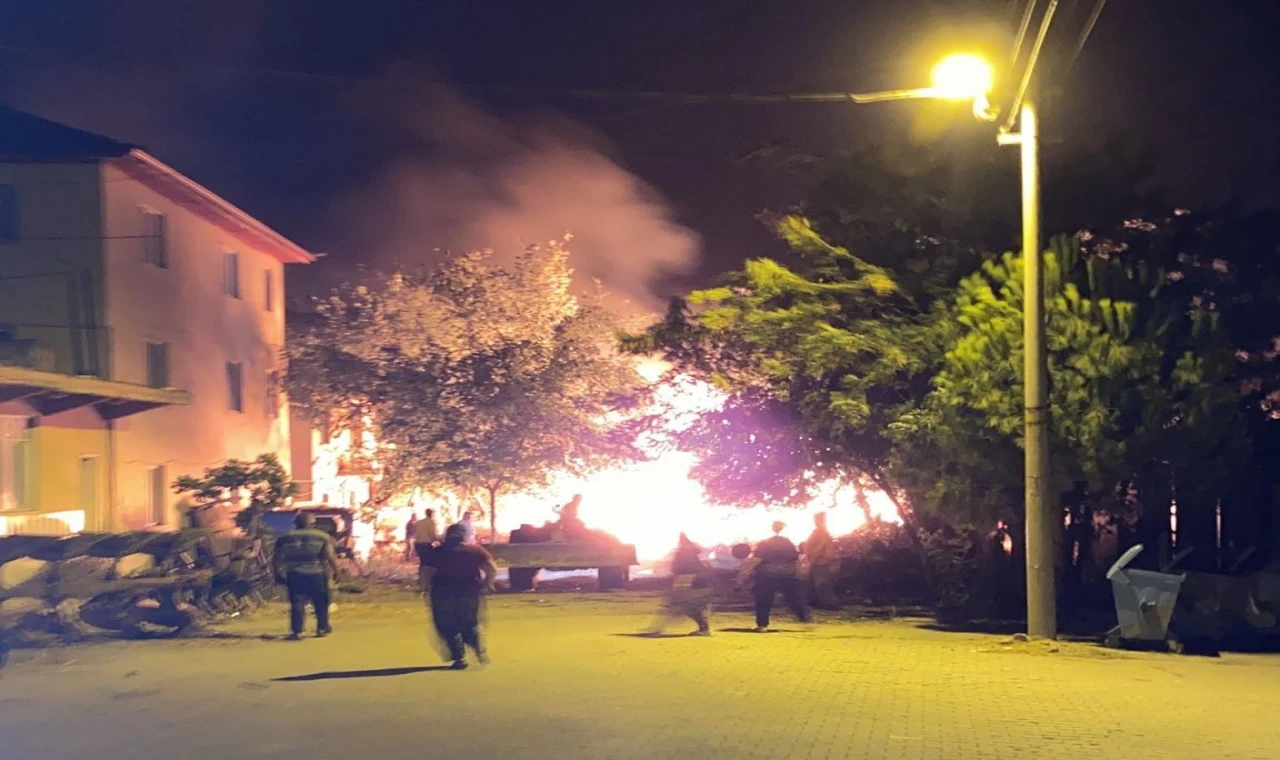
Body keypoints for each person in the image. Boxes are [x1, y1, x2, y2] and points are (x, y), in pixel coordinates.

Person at [423, 523, 498, 670]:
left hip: (443, 592)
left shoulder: (438, 551)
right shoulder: (476, 550)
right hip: (469, 591)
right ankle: (478, 649)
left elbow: (427, 571)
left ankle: (459, 658)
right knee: (469, 622)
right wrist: (488, 584)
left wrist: (424, 587)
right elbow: (492, 568)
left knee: (447, 624)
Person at [273, 512, 340, 640]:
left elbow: (277, 558)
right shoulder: (322, 536)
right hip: (316, 573)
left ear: (296, 523)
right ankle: (322, 628)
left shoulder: (284, 537)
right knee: (320, 602)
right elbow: (330, 556)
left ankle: (297, 631)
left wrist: (277, 573)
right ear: (312, 523)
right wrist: (337, 572)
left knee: (297, 602)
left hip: (294, 574)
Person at [740, 521, 810, 632]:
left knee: (763, 598)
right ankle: (803, 616)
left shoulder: (764, 543)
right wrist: (799, 572)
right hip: (788, 573)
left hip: (766, 574)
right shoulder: (788, 542)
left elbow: (757, 559)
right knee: (793, 597)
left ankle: (762, 625)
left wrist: (744, 572)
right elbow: (795, 559)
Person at [647, 533, 714, 637]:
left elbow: (679, 568)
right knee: (687, 605)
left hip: (688, 580)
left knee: (682, 604)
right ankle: (703, 628)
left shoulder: (684, 553)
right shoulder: (693, 553)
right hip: (695, 582)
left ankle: (657, 628)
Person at [804, 512, 841, 610]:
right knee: (817, 584)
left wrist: (811, 560)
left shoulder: (821, 532)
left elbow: (818, 548)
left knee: (822, 584)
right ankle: (819, 603)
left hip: (821, 562)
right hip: (819, 562)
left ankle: (831, 605)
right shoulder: (821, 531)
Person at [414, 508, 442, 592]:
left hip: (418, 544)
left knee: (422, 562)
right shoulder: (431, 522)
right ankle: (425, 582)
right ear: (431, 514)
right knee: (428, 563)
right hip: (425, 544)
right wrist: (438, 541)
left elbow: (416, 532)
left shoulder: (419, 522)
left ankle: (421, 579)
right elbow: (431, 534)